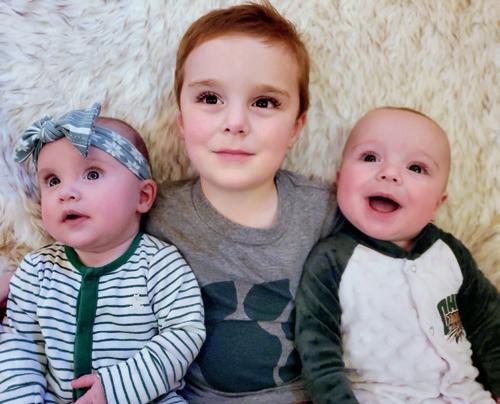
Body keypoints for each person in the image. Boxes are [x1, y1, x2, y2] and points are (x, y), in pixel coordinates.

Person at [145, 2, 336, 402]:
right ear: (181, 121)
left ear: (296, 127)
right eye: (210, 98)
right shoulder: (152, 211)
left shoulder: (323, 211)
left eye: (264, 102)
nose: (235, 123)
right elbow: (88, 249)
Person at [0, 103, 206, 404]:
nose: (66, 192)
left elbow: (184, 333)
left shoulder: (160, 265)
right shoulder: (36, 270)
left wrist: (115, 388)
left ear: (142, 196)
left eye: (93, 174)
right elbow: (19, 345)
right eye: (53, 180)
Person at [295, 107, 500, 403]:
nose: (389, 173)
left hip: (465, 394)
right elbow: (318, 352)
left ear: (438, 203)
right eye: (370, 157)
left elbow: (488, 323)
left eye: (416, 168)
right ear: (339, 180)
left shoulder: (449, 253)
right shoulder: (332, 260)